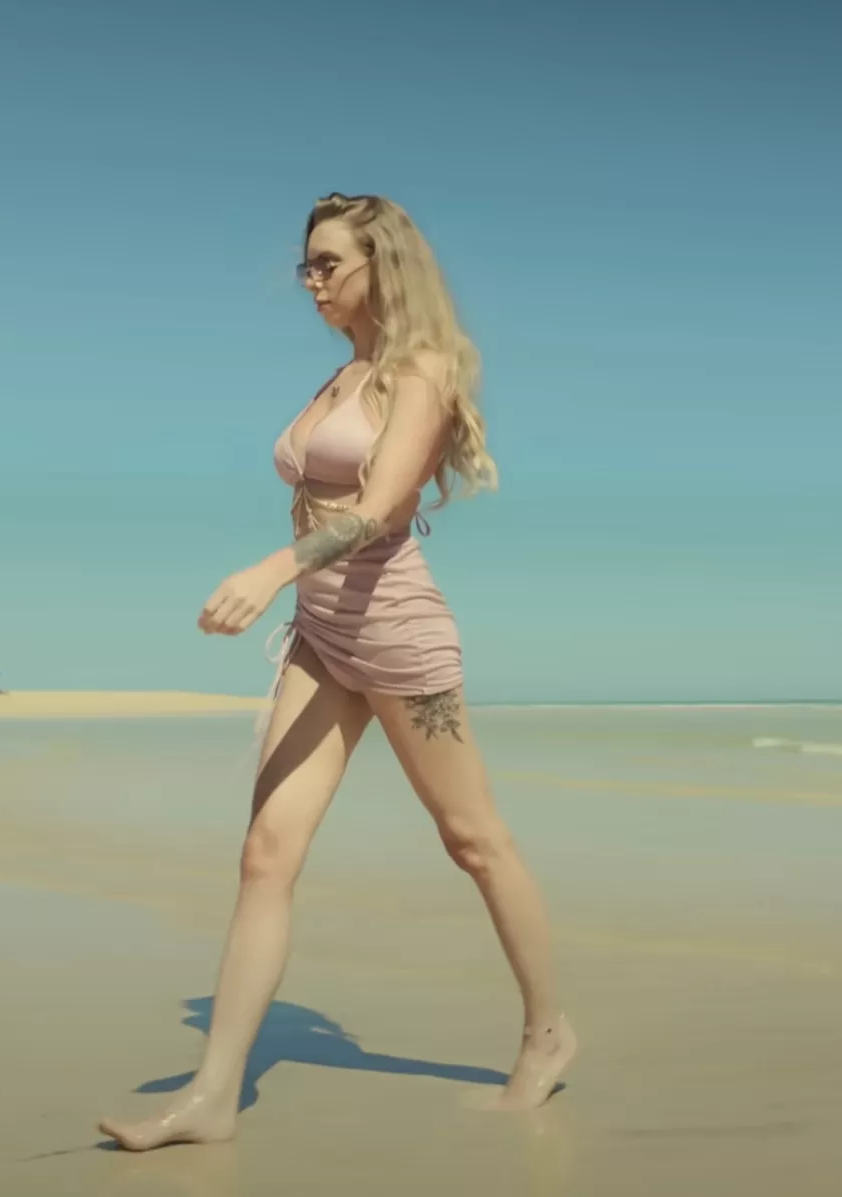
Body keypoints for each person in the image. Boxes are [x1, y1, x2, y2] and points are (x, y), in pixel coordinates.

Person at [98, 193, 575, 1151]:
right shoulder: (343, 375)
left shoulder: (420, 370)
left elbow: (379, 508)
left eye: (328, 264)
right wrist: (292, 585)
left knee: (472, 839)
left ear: (380, 265)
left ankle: (548, 1031)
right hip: (322, 636)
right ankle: (213, 1094)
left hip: (396, 633)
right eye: (306, 265)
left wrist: (270, 570)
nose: (310, 281)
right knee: (266, 854)